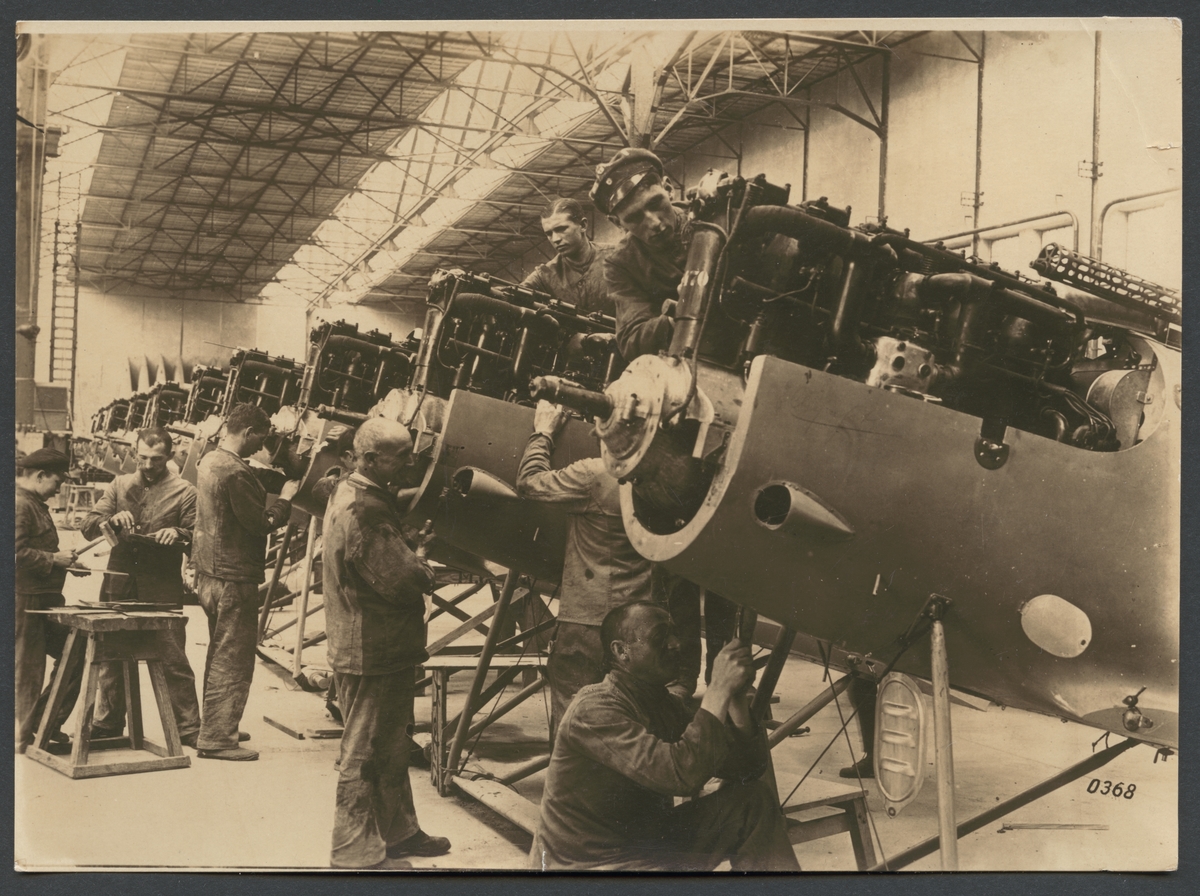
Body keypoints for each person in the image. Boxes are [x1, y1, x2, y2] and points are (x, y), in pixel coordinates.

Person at [592, 147, 738, 696]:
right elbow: (630, 337)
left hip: (747, 391)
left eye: (656, 204)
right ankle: (680, 682)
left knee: (731, 570)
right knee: (679, 557)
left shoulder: (719, 219)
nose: (653, 222)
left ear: (668, 188)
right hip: (684, 411)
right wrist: (669, 318)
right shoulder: (621, 263)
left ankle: (732, 685)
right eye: (635, 218)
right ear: (619, 224)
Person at [530, 601, 799, 872]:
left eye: (674, 634)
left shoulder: (662, 704)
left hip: (646, 842)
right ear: (621, 651)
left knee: (752, 802)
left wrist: (736, 700)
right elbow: (681, 775)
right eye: (660, 637)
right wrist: (717, 689)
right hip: (590, 863)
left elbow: (747, 769)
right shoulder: (594, 710)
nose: (675, 644)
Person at [323, 417, 450, 870]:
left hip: (367, 639)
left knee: (391, 743)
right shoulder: (368, 510)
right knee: (364, 750)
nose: (412, 462)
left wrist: (403, 545)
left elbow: (370, 561)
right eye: (402, 456)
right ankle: (353, 850)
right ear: (371, 459)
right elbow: (404, 580)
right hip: (371, 647)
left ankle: (398, 831)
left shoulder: (350, 490)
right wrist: (421, 558)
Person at [515, 400, 655, 738]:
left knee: (574, 721)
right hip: (638, 621)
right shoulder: (660, 479)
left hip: (587, 623)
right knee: (630, 722)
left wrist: (543, 434)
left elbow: (529, 482)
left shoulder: (596, 475)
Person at [81, 428, 202, 747]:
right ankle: (108, 722)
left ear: (170, 456)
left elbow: (199, 535)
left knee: (173, 657)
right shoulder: (119, 485)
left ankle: (189, 728)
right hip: (118, 582)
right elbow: (88, 526)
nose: (148, 465)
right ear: (135, 454)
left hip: (161, 585)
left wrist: (178, 534)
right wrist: (110, 521)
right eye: (143, 458)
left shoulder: (185, 491)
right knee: (111, 655)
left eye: (157, 459)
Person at [192, 403, 298, 761]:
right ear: (249, 432)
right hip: (234, 577)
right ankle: (218, 739)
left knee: (218, 653)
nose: (262, 446)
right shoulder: (236, 473)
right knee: (233, 659)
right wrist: (286, 499)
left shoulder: (209, 460)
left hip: (209, 573)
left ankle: (216, 725)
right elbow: (260, 524)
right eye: (261, 439)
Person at [15, 449, 85, 752]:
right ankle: (20, 738)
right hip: (25, 602)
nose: (59, 489)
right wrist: (54, 559)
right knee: (28, 671)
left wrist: (64, 562)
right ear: (41, 475)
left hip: (43, 601)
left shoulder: (34, 504)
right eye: (58, 481)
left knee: (77, 650)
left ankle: (44, 723)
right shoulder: (19, 505)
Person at [521, 198, 616, 317]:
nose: (555, 239)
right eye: (549, 234)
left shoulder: (619, 257)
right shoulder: (545, 275)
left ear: (583, 225)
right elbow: (513, 294)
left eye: (561, 229)